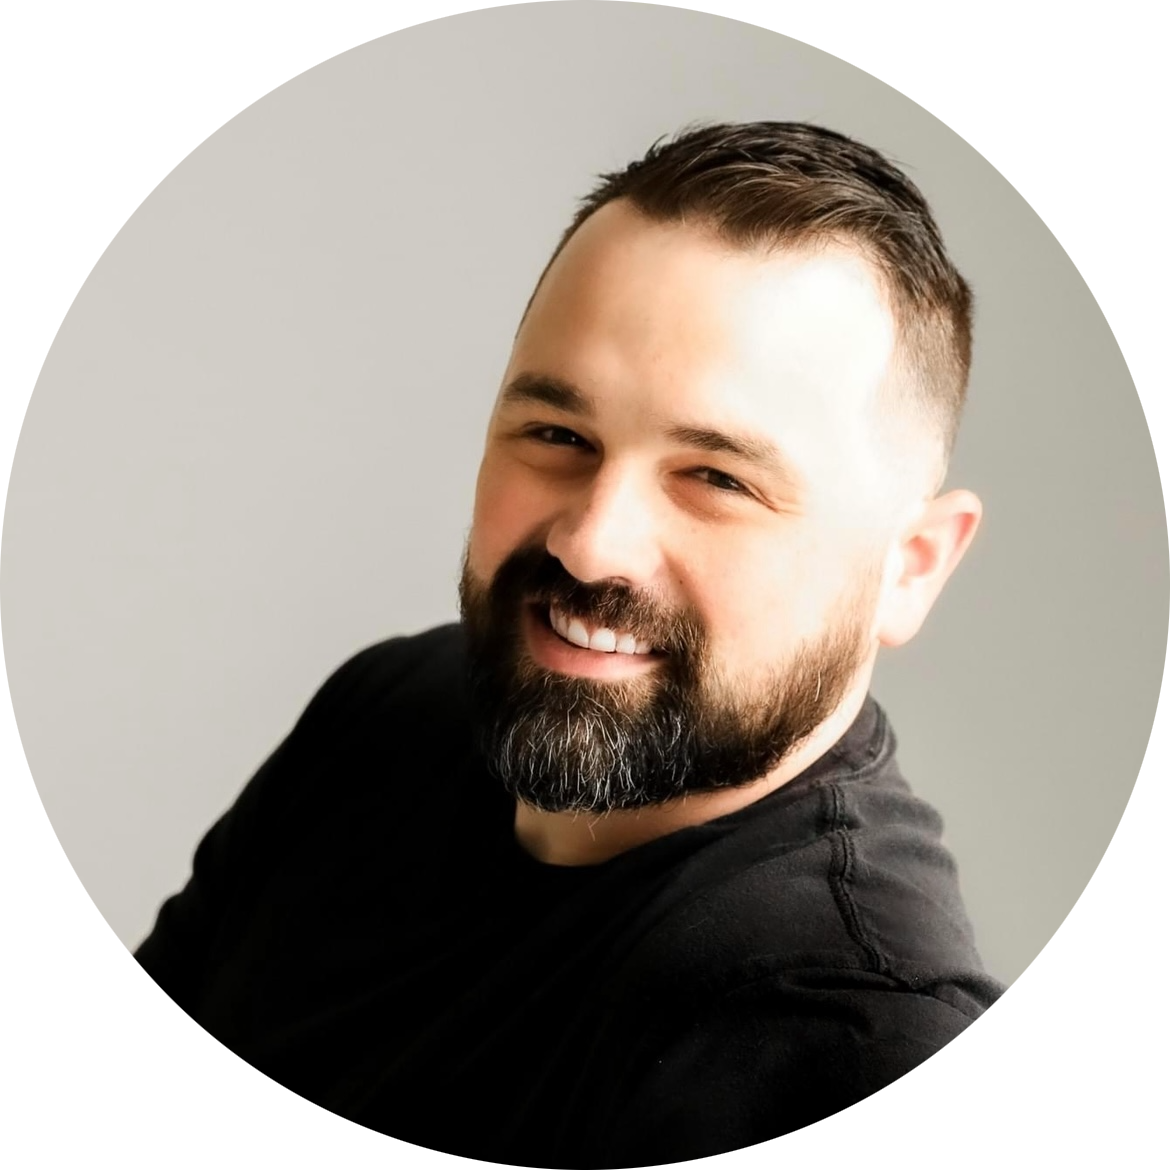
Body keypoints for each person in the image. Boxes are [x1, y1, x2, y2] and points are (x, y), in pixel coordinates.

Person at [136, 122, 1004, 1164]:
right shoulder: (389, 711)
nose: (592, 543)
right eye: (558, 436)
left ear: (910, 567)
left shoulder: (856, 1041)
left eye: (717, 478)